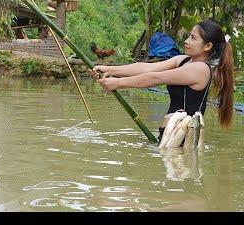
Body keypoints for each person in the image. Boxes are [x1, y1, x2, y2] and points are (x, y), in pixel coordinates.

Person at [91, 20, 234, 142]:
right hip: (170, 132)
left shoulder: (200, 69)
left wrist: (117, 83)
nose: (186, 41)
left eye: (193, 38)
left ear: (207, 46)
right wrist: (109, 70)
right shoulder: (183, 60)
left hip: (183, 137)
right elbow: (148, 69)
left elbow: (155, 78)